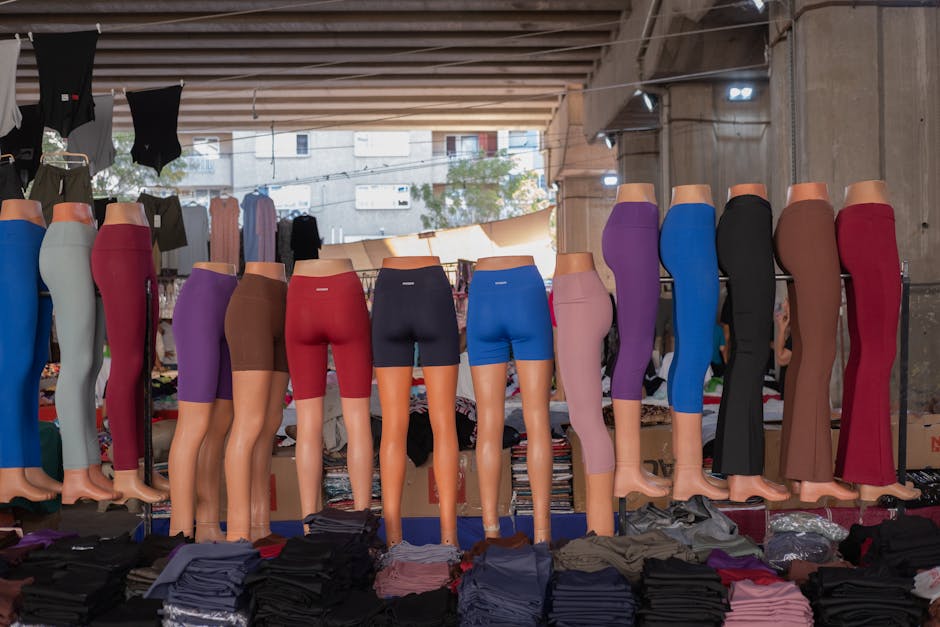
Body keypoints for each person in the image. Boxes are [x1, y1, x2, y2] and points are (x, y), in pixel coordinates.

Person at [773, 297, 793, 398]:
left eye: (788, 302)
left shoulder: (798, 335)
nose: (784, 305)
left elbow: (781, 359)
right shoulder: (793, 331)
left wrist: (781, 328)